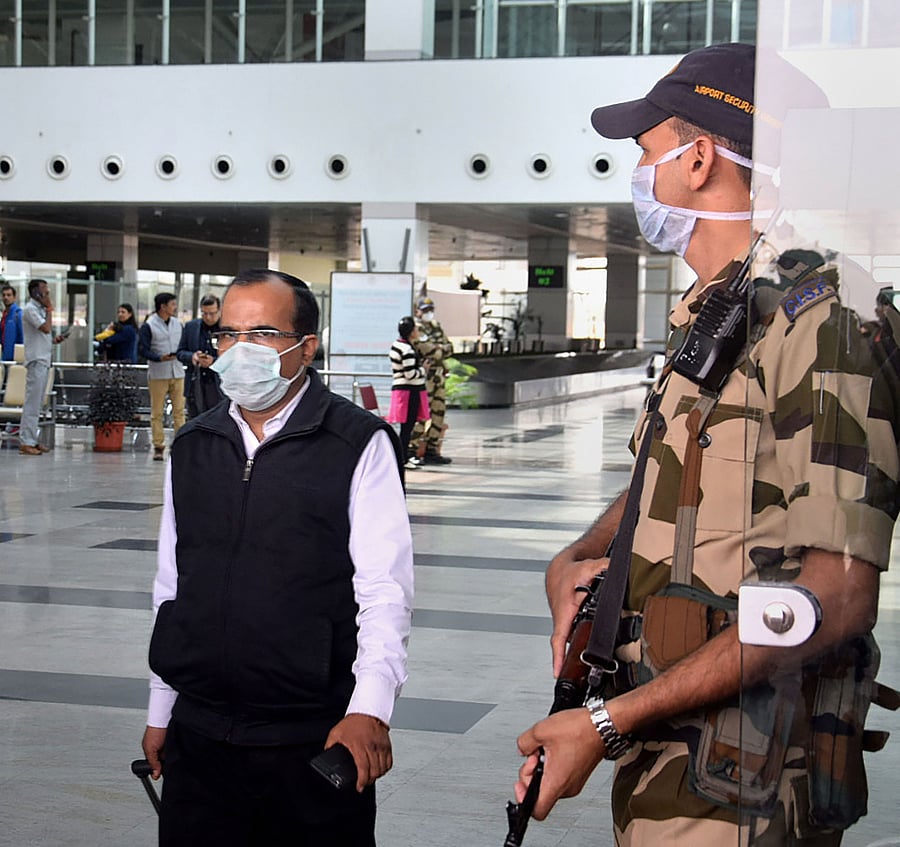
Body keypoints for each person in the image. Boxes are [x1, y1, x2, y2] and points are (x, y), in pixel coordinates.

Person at [513, 43, 899, 845]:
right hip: (675, 763)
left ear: (698, 160)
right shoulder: (726, 310)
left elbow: (833, 592)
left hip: (747, 787)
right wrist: (576, 558)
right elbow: (675, 474)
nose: (639, 174)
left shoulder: (826, 322)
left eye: (647, 152)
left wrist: (610, 721)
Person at [141, 269, 413, 847]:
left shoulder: (356, 443)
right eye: (229, 334)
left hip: (311, 736)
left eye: (262, 333)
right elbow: (173, 585)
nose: (240, 350)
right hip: (201, 732)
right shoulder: (195, 444)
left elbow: (384, 591)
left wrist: (370, 708)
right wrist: (162, 707)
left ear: (305, 347)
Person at [19, 279, 65, 456]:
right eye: (45, 292)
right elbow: (45, 328)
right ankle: (26, 441)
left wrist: (55, 340)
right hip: (36, 361)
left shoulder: (38, 310)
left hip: (44, 359)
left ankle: (32, 439)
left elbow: (45, 335)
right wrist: (49, 309)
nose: (48, 295)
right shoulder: (30, 309)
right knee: (32, 403)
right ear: (36, 293)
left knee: (38, 403)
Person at [139, 292, 185, 461]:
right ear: (163, 306)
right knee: (156, 412)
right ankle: (158, 446)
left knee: (179, 411)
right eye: (172, 304)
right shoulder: (149, 325)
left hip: (178, 371)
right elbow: (142, 349)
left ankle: (181, 443)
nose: (175, 307)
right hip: (158, 373)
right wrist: (158, 357)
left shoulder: (178, 324)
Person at [409, 296, 453, 464]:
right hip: (424, 377)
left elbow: (450, 348)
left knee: (438, 412)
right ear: (417, 311)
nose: (428, 313)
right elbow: (430, 352)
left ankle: (432, 449)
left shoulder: (435, 326)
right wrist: (440, 349)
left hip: (438, 375)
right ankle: (412, 448)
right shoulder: (416, 329)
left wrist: (440, 349)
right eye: (424, 310)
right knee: (421, 413)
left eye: (430, 310)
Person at [386, 315, 430, 470]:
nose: (417, 331)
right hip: (409, 391)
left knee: (406, 426)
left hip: (403, 390)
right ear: (411, 332)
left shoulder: (397, 345)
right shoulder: (407, 349)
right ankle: (403, 457)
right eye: (416, 328)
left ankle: (402, 457)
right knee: (407, 426)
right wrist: (423, 370)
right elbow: (410, 374)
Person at [176, 294, 225, 418]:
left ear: (219, 311)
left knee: (217, 422)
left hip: (218, 384)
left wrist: (214, 362)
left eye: (212, 313)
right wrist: (192, 357)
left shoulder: (227, 330)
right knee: (195, 422)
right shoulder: (191, 327)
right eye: (204, 313)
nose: (208, 317)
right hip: (195, 382)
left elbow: (235, 357)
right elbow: (180, 352)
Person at [1, 283, 24, 362]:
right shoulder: (4, 315)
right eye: (3, 295)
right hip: (4, 357)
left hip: (15, 359)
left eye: (9, 295)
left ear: (14, 297)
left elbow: (23, 336)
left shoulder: (18, 314)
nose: (6, 297)